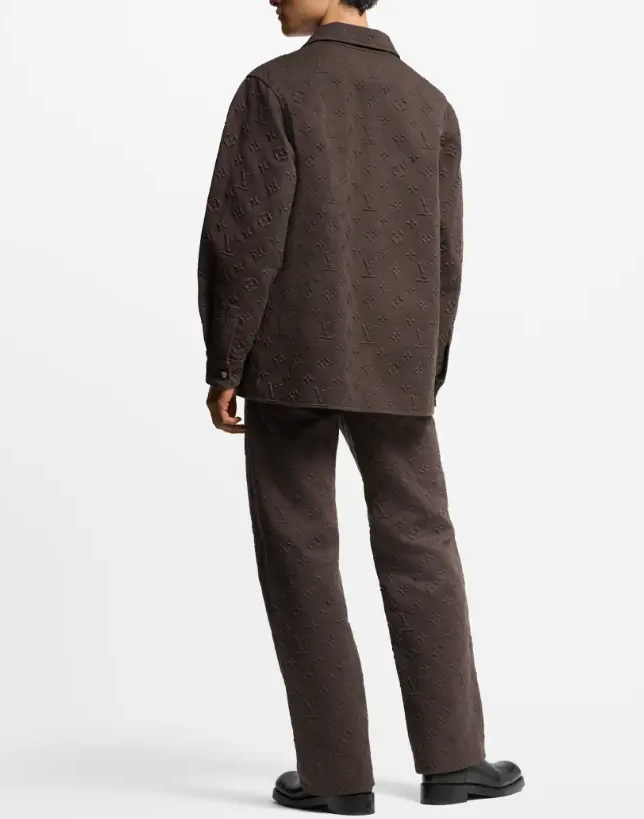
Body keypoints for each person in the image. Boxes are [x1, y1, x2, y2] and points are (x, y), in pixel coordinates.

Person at [196, 1, 524, 813]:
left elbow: (243, 236)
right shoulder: (426, 100)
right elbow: (446, 253)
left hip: (290, 359)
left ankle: (335, 775)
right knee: (422, 544)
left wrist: (226, 360)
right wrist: (425, 366)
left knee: (298, 550)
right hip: (397, 362)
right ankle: (455, 760)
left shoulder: (274, 88)